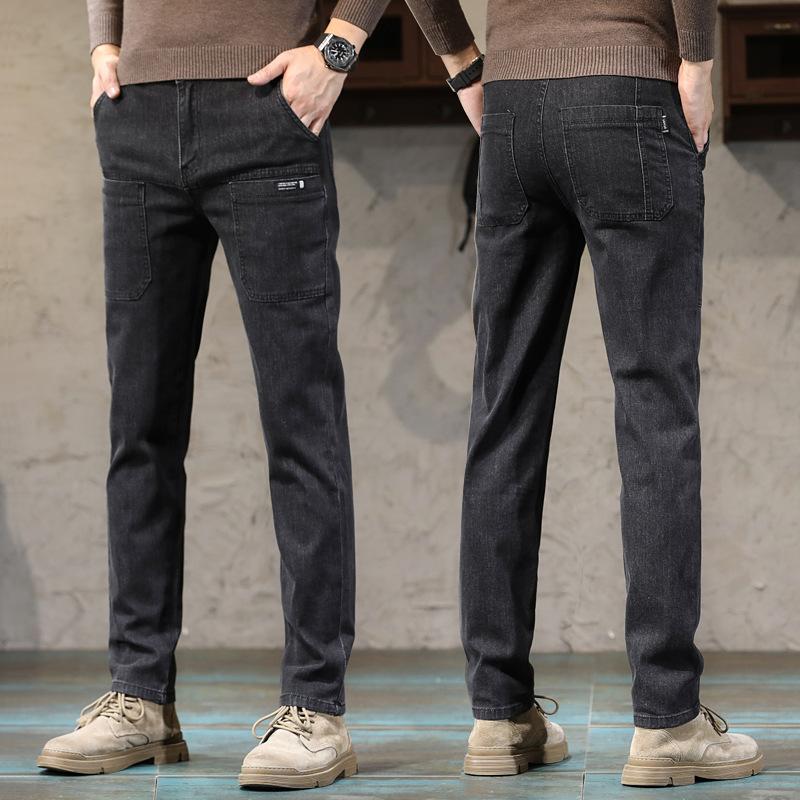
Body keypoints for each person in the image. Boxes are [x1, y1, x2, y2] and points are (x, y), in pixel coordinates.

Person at [34, 0, 468, 790]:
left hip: (264, 112)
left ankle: (315, 707)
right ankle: (139, 696)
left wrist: (336, 50)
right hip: (137, 119)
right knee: (139, 428)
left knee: (301, 424)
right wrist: (104, 47)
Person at [406, 0, 765, 787]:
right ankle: (667, 719)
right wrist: (698, 62)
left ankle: (498, 715)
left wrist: (462, 62)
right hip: (630, 88)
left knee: (503, 411)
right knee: (656, 409)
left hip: (513, 109)